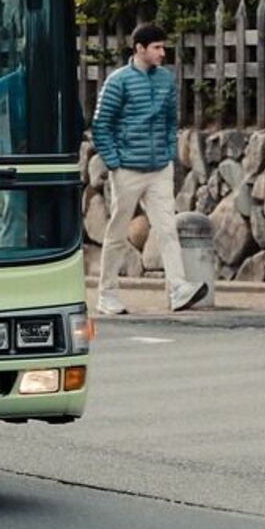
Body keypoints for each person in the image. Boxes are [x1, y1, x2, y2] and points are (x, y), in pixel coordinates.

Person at [92, 23, 206, 314]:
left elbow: (171, 120)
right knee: (117, 232)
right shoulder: (118, 81)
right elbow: (101, 125)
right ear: (139, 49)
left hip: (159, 169)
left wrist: (168, 153)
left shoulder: (166, 80)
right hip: (128, 169)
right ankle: (107, 294)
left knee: (168, 228)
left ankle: (178, 288)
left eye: (162, 47)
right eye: (156, 47)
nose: (162, 52)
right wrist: (115, 162)